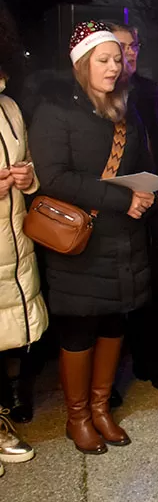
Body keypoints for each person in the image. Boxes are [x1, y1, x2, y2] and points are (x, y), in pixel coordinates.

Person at [30, 21, 155, 454]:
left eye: (117, 59)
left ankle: (102, 409)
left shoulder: (127, 108)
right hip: (80, 240)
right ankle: (78, 416)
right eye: (103, 59)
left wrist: (146, 191)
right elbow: (55, 177)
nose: (113, 67)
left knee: (114, 321)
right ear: (82, 63)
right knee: (80, 329)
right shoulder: (56, 109)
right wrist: (124, 198)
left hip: (125, 237)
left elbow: (137, 166)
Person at [106, 22, 158, 398]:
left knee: (155, 289)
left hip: (154, 201)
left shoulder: (150, 92)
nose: (128, 53)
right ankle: (108, 379)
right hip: (114, 205)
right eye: (120, 47)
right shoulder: (97, 95)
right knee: (114, 296)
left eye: (132, 46)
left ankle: (154, 363)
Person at [0, 66, 47, 470]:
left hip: (14, 243)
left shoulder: (10, 107)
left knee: (7, 338)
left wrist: (28, 177)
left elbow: (28, 163)